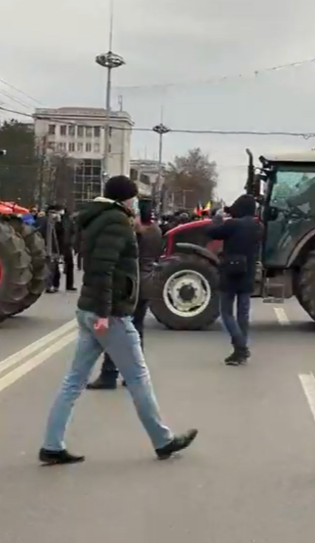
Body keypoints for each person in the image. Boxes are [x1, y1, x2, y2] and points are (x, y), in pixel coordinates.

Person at [39, 176, 198, 464]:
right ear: (125, 198)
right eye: (134, 197)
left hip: (91, 309)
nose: (136, 202)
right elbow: (103, 270)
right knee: (138, 377)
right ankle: (163, 441)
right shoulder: (115, 221)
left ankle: (52, 444)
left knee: (73, 382)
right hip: (109, 314)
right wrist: (103, 314)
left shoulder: (98, 218)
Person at [87, 199, 164, 390]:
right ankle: (134, 375)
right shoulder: (156, 231)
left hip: (131, 285)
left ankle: (109, 374)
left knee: (116, 330)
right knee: (137, 331)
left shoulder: (136, 233)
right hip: (147, 283)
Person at [208, 194, 261, 366]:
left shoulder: (232, 225)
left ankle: (240, 346)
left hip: (231, 273)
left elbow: (212, 232)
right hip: (248, 273)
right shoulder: (259, 227)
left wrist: (217, 218)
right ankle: (240, 351)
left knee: (226, 313)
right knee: (243, 314)